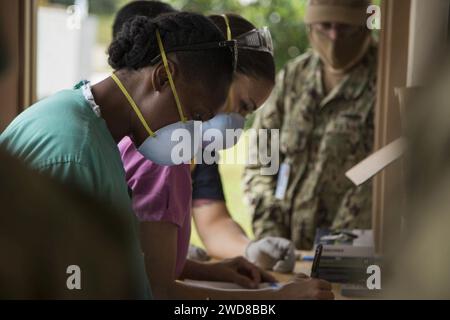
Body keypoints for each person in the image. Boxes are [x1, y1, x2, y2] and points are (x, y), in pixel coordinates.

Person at [0, 11, 235, 299]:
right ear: (163, 77)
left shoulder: (92, 130)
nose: (194, 134)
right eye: (196, 115)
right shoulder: (75, 152)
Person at [114, 2, 333, 300]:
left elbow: (145, 263)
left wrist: (209, 269)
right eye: (242, 106)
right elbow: (161, 293)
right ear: (215, 77)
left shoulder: (175, 143)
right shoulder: (166, 155)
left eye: (248, 114)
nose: (238, 122)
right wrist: (278, 299)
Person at [244, 0, 377, 250]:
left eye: (346, 28)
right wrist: (270, 235)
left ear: (365, 27)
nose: (335, 36)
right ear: (310, 26)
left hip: (352, 257)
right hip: (285, 250)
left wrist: (334, 253)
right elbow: (262, 158)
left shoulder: (386, 81)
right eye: (325, 26)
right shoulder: (293, 78)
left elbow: (383, 178)